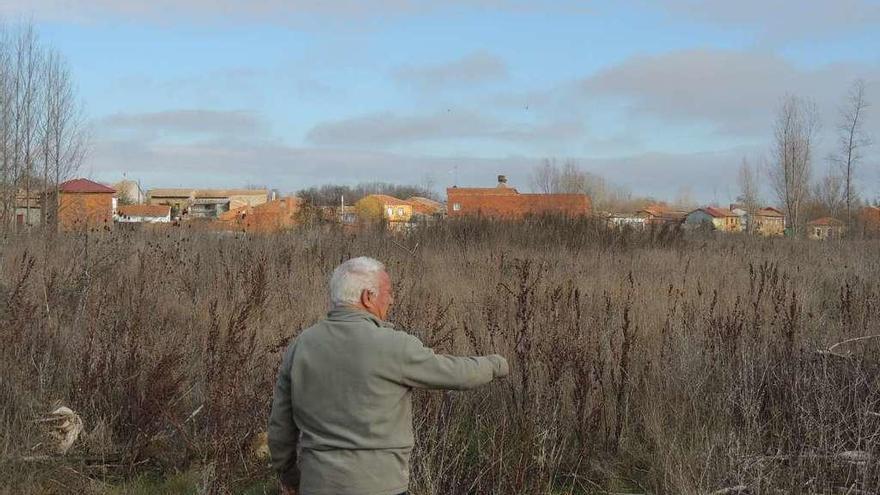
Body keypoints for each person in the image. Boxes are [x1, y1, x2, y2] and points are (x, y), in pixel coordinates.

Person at [268, 257, 509, 495]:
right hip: (380, 486)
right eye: (388, 292)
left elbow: (280, 424)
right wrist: (497, 364)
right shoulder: (394, 346)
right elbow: (457, 374)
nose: (392, 300)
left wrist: (290, 476)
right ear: (368, 297)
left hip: (316, 485)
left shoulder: (301, 345)